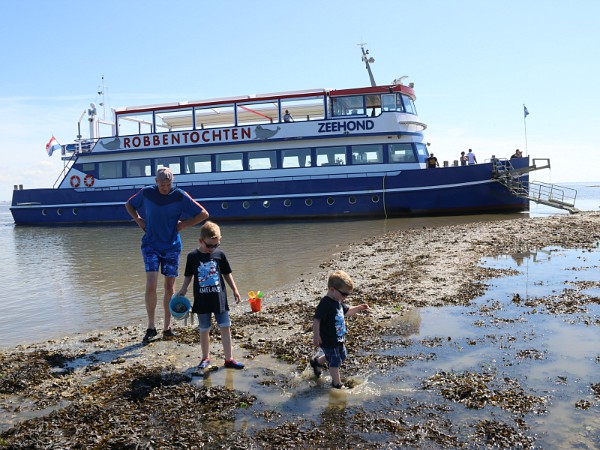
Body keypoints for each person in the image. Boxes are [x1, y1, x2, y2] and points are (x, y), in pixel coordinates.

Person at [125, 167, 209, 343]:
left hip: (172, 246)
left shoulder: (180, 195)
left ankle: (167, 328)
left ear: (172, 182)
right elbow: (129, 205)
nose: (165, 187)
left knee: (170, 288)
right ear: (156, 182)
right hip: (150, 244)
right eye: (162, 184)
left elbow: (203, 214)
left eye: (168, 184)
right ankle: (151, 327)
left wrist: (184, 224)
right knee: (151, 285)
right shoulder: (147, 193)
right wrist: (139, 219)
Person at [177, 221, 244, 370]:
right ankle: (205, 358)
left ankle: (229, 359)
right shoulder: (192, 256)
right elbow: (188, 275)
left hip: (219, 299)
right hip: (202, 300)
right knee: (204, 329)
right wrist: (183, 290)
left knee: (225, 327)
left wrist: (235, 289)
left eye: (216, 245)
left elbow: (227, 273)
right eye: (209, 245)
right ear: (201, 241)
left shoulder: (220, 255)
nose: (212, 248)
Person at [310, 270, 369, 389]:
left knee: (342, 356)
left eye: (348, 295)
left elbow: (347, 312)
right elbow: (317, 320)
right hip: (328, 339)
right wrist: (316, 336)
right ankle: (336, 383)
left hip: (338, 337)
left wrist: (359, 308)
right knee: (335, 361)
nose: (345, 297)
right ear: (332, 289)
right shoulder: (325, 303)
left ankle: (317, 362)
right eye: (344, 294)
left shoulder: (338, 301)